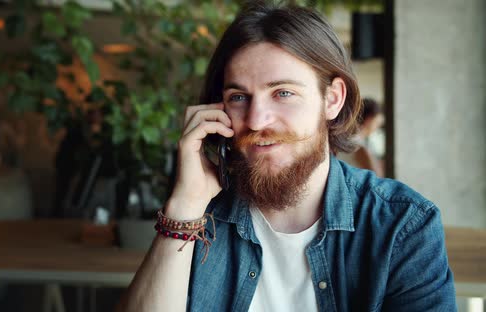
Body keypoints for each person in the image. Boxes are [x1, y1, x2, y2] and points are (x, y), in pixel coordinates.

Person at [118, 2, 456, 311]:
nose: (256, 120)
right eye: (239, 97)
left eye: (283, 93)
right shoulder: (202, 214)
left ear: (332, 99)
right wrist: (185, 206)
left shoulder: (402, 226)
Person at [338, 98, 385, 176]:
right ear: (369, 120)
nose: (376, 128)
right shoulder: (358, 146)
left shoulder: (345, 139)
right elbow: (378, 177)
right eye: (377, 124)